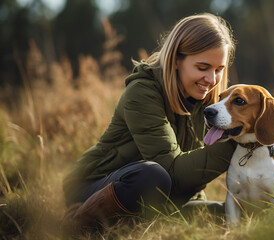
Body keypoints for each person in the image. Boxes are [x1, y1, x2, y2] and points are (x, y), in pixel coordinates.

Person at [62, 13, 236, 232]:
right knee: (152, 176)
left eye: (219, 70)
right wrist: (233, 143)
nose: (211, 80)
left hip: (161, 194)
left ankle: (133, 225)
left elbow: (189, 173)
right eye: (202, 68)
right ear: (175, 60)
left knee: (231, 211)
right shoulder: (142, 92)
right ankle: (77, 223)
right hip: (95, 186)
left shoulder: (206, 102)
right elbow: (171, 171)